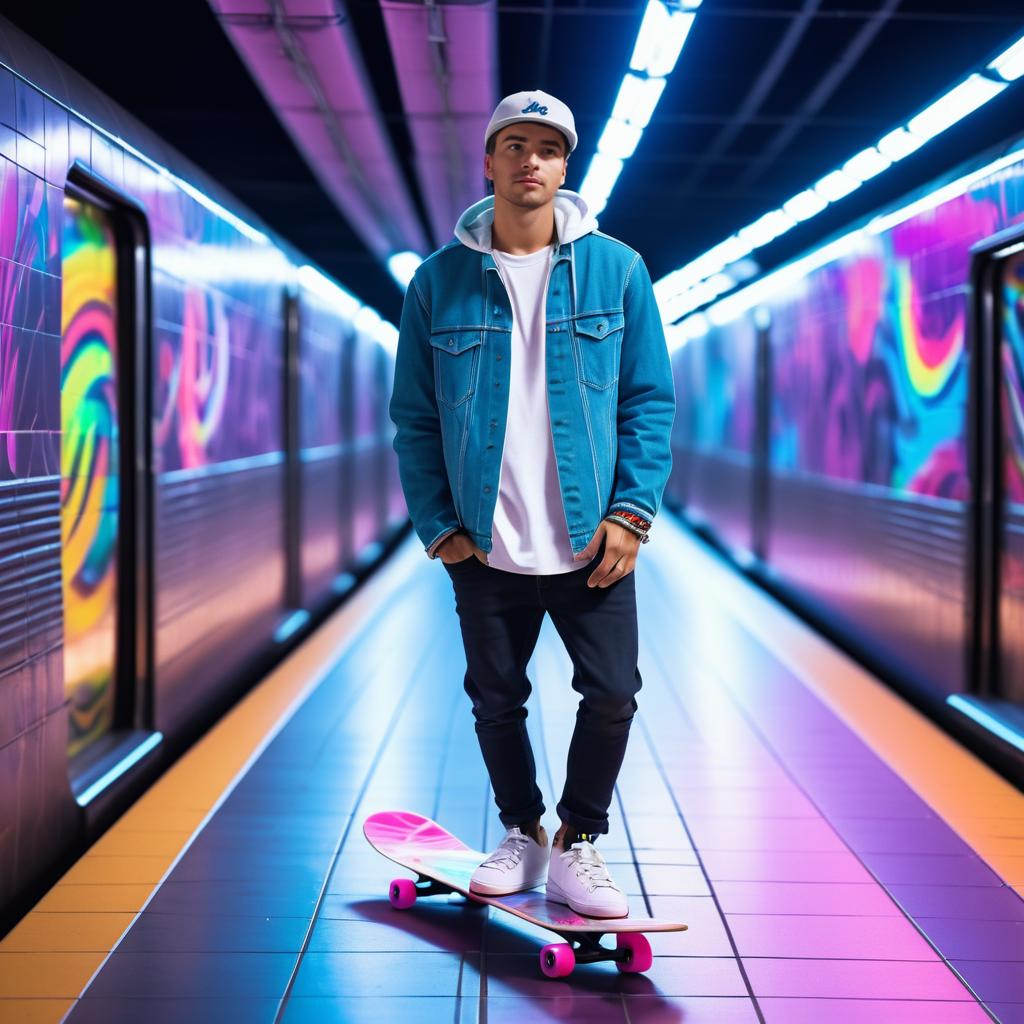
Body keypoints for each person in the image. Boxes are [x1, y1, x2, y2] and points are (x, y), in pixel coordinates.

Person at [388, 89, 674, 918]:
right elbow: (415, 417)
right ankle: (523, 831)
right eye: (514, 145)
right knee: (496, 698)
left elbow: (648, 399)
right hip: (485, 541)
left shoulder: (617, 270)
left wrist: (632, 512)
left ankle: (580, 843)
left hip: (592, 541)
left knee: (613, 692)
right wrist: (440, 529)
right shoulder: (436, 284)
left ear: (563, 166)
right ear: (489, 160)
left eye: (546, 148)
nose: (530, 161)